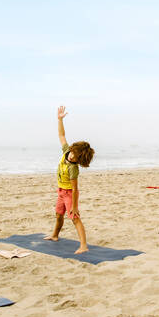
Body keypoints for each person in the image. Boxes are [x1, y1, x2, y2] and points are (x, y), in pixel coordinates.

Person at [44, 106, 95, 254]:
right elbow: (61, 135)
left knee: (74, 218)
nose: (72, 156)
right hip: (60, 191)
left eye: (76, 157)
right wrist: (59, 120)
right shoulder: (66, 151)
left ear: (80, 160)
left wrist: (75, 206)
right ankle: (54, 235)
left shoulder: (73, 168)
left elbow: (75, 189)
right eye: (73, 153)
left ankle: (84, 245)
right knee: (59, 214)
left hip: (69, 194)